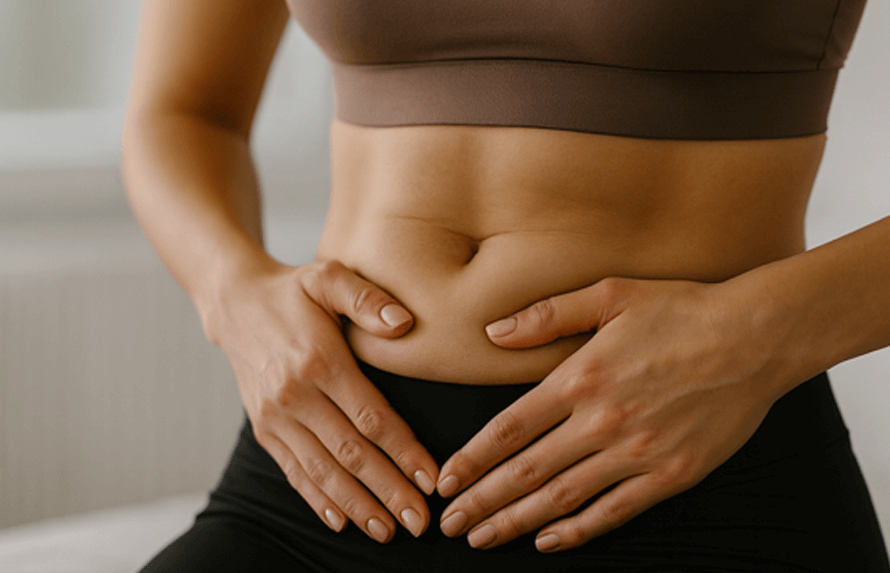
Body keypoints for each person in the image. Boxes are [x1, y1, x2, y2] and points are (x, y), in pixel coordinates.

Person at [124, 0, 890, 571]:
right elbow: (185, 108)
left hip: (691, 479)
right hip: (328, 480)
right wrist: (235, 294)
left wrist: (762, 333)